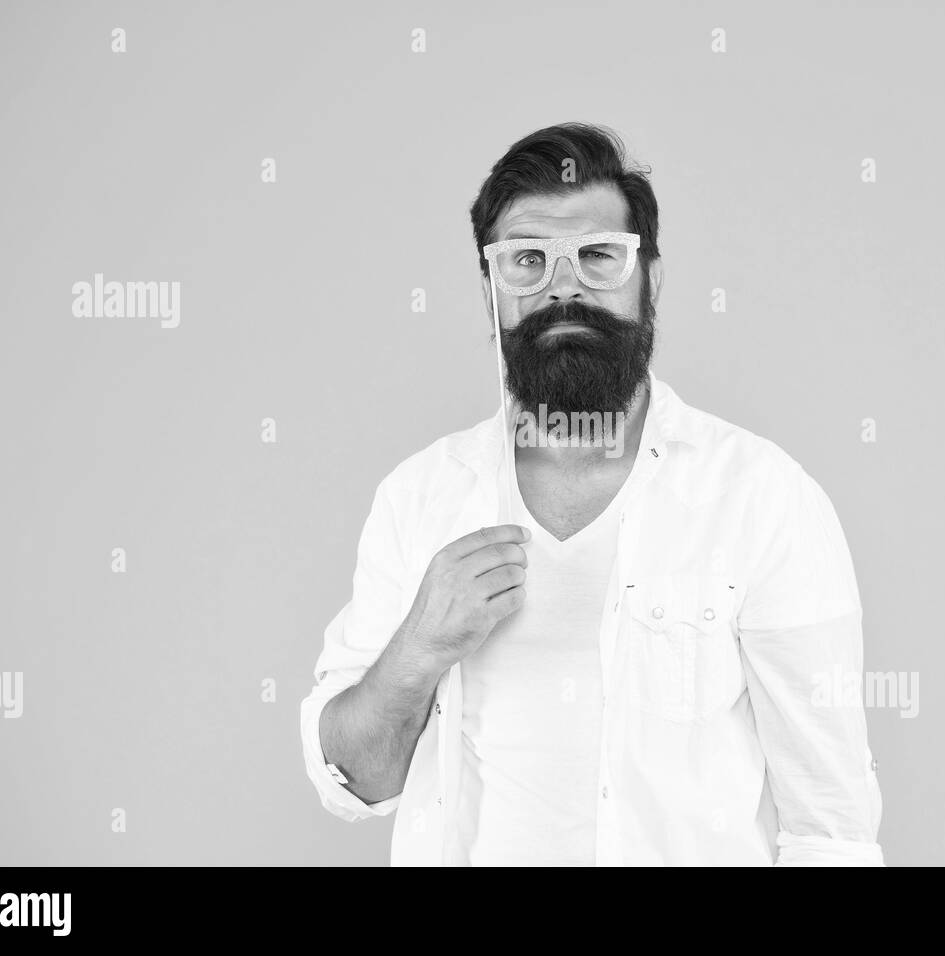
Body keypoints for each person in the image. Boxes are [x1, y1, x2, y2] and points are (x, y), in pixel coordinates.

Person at [300, 123, 884, 866]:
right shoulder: (419, 499)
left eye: (599, 256)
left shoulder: (761, 498)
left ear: (652, 278)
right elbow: (355, 782)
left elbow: (830, 827)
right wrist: (417, 647)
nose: (562, 285)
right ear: (491, 290)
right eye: (528, 261)